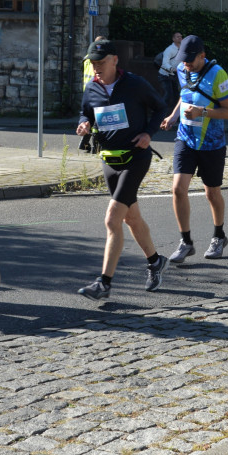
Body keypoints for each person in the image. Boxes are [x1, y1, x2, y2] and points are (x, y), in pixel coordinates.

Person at [75, 39, 168, 300]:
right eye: (93, 64)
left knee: (112, 218)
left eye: (101, 63)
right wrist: (83, 124)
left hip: (135, 158)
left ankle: (104, 282)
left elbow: (160, 107)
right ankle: (155, 261)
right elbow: (86, 113)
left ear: (115, 60)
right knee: (131, 218)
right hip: (109, 161)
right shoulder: (92, 87)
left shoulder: (135, 84)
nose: (96, 68)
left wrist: (148, 134)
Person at [160, 36, 228, 264]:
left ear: (202, 55)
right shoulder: (184, 70)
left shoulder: (218, 74)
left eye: (190, 61)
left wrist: (202, 112)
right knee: (178, 190)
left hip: (212, 143)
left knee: (211, 193)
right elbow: (185, 96)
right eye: (183, 61)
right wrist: (173, 116)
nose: (185, 65)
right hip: (185, 138)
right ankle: (186, 242)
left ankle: (219, 236)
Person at [158, 32, 184, 113]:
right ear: (173, 39)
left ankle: (172, 113)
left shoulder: (183, 48)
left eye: (181, 36)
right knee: (168, 95)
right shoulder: (169, 49)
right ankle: (159, 112)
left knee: (176, 95)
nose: (180, 38)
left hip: (174, 75)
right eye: (177, 37)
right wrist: (173, 69)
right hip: (165, 75)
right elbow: (164, 63)